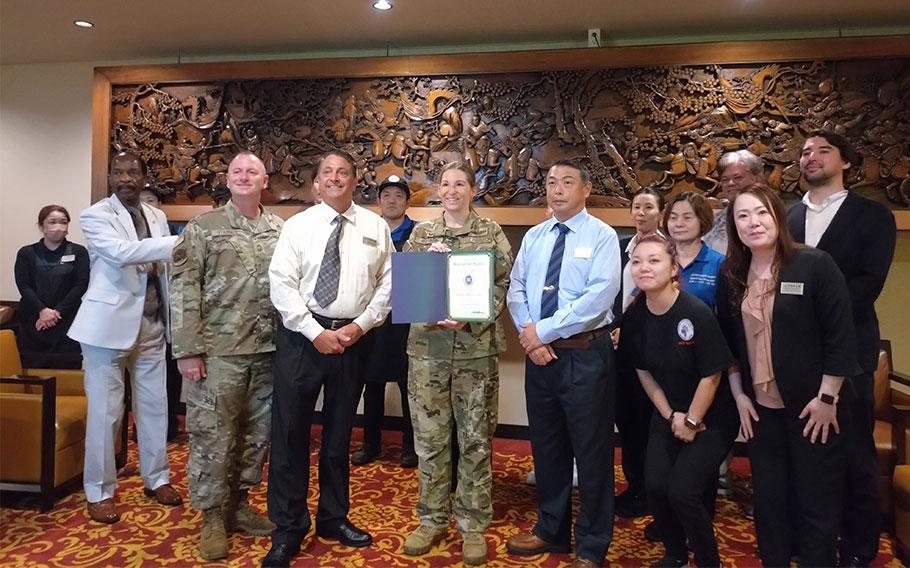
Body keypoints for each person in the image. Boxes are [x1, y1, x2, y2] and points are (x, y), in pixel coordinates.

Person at [718, 184, 859, 566]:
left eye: (761, 212)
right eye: (742, 216)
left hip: (813, 410)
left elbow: (841, 336)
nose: (753, 222)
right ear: (734, 226)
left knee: (816, 505)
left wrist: (828, 397)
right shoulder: (731, 273)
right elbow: (727, 343)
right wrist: (740, 396)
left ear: (778, 216)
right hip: (761, 411)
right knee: (771, 503)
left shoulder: (814, 265)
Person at [264, 150, 393, 567]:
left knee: (339, 437)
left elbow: (387, 286)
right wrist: (314, 331)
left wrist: (360, 326)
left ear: (355, 182)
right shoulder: (297, 226)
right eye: (327, 173)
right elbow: (280, 283)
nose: (336, 178)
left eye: (344, 173)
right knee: (289, 435)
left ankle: (333, 517)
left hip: (354, 338)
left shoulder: (375, 225)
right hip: (303, 338)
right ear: (316, 183)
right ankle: (288, 528)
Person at [787, 130, 896, 567]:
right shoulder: (787, 217)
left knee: (853, 455)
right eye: (805, 152)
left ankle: (856, 546)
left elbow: (866, 285)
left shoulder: (873, 216)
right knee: (802, 454)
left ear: (846, 162)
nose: (811, 157)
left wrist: (809, 318)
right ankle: (808, 540)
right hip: (792, 357)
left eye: (823, 150)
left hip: (848, 355)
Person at [506, 159, 621, 568]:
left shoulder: (603, 236)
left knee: (591, 454)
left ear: (585, 189)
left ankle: (591, 546)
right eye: (551, 182)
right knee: (547, 447)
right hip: (541, 358)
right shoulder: (536, 236)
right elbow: (516, 289)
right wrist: (530, 334)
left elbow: (599, 297)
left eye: (567, 182)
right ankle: (550, 530)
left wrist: (545, 331)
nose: (557, 189)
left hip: (585, 356)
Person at [169, 152, 283, 560]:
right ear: (228, 179)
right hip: (218, 354)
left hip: (268, 351)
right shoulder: (203, 227)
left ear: (264, 180)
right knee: (213, 437)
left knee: (256, 436)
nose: (244, 176)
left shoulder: (279, 230)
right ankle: (212, 516)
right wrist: (187, 350)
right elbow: (183, 291)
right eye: (237, 171)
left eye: (252, 170)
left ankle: (239, 504)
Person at [400, 162, 512, 566]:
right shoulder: (422, 234)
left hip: (474, 352)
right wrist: (424, 306)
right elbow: (408, 285)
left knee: (475, 440)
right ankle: (431, 519)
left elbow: (504, 284)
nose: (451, 190)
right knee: (430, 441)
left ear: (473, 188)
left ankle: (472, 524)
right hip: (427, 352)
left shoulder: (490, 232)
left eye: (459, 183)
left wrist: (474, 314)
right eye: (445, 184)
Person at [67, 150, 182, 524]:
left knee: (154, 409)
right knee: (106, 415)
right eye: (119, 172)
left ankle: (157, 478)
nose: (126, 178)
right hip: (106, 330)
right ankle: (99, 491)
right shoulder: (96, 214)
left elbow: (161, 268)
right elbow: (119, 254)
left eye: (133, 171)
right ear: (111, 178)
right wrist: (178, 243)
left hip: (151, 325)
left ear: (144, 176)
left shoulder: (156, 215)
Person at [618, 234, 737, 568]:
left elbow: (712, 374)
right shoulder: (634, 318)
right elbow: (643, 372)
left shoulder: (695, 312)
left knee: (682, 491)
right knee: (654, 485)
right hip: (670, 411)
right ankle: (674, 553)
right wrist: (670, 414)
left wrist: (691, 420)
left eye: (654, 260)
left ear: (673, 268)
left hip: (712, 414)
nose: (644, 267)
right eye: (637, 261)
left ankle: (708, 559)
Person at [351, 175, 418, 468]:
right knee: (372, 384)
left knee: (409, 386)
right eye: (386, 195)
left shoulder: (418, 233)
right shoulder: (366, 231)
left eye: (398, 196)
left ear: (406, 201)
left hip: (406, 319)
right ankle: (370, 444)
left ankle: (409, 447)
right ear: (379, 200)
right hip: (372, 319)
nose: (392, 200)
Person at [613, 188, 665, 521]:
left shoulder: (667, 249)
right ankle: (635, 485)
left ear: (661, 212)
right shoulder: (622, 247)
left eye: (649, 207)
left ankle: (653, 489)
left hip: (655, 345)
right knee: (627, 419)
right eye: (637, 207)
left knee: (651, 422)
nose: (641, 213)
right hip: (621, 345)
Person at [14, 205, 89, 369]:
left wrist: (56, 312)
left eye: (63, 222)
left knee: (66, 371)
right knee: (32, 371)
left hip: (67, 320)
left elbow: (81, 284)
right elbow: (23, 285)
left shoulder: (79, 251)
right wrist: (42, 310)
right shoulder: (26, 253)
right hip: (34, 320)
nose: (58, 227)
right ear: (42, 227)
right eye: (52, 222)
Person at [139, 187, 182, 440]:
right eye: (143, 202)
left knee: (169, 380)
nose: (147, 206)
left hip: (166, 321)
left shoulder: (173, 233)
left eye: (152, 201)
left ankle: (168, 426)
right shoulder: (126, 236)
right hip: (133, 323)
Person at [663, 192, 724, 311]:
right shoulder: (659, 260)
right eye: (673, 218)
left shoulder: (720, 263)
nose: (679, 224)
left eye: (687, 218)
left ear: (702, 221)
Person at [703, 150, 763, 255]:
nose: (730, 183)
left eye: (737, 178)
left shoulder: (768, 215)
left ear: (756, 179)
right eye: (725, 179)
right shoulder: (714, 221)